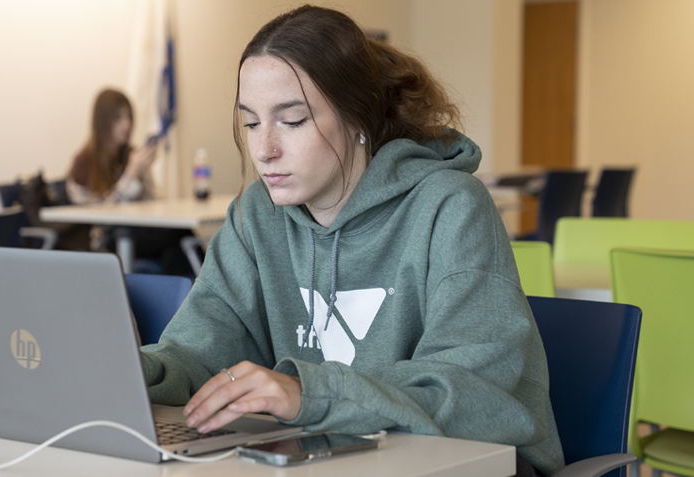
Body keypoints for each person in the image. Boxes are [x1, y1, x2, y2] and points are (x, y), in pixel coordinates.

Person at [139, 6, 564, 476]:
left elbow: (474, 395)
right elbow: (199, 353)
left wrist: (311, 394)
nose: (264, 149)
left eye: (293, 120)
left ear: (357, 116)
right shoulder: (256, 216)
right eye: (252, 122)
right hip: (330, 459)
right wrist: (135, 374)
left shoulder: (451, 207)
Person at [67, 89, 193, 275]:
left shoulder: (129, 155)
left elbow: (150, 205)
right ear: (103, 122)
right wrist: (131, 174)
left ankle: (193, 293)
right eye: (118, 118)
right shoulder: (84, 163)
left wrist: (145, 173)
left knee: (179, 235)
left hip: (133, 232)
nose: (126, 125)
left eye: (129, 118)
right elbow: (100, 220)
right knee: (177, 237)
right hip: (105, 241)